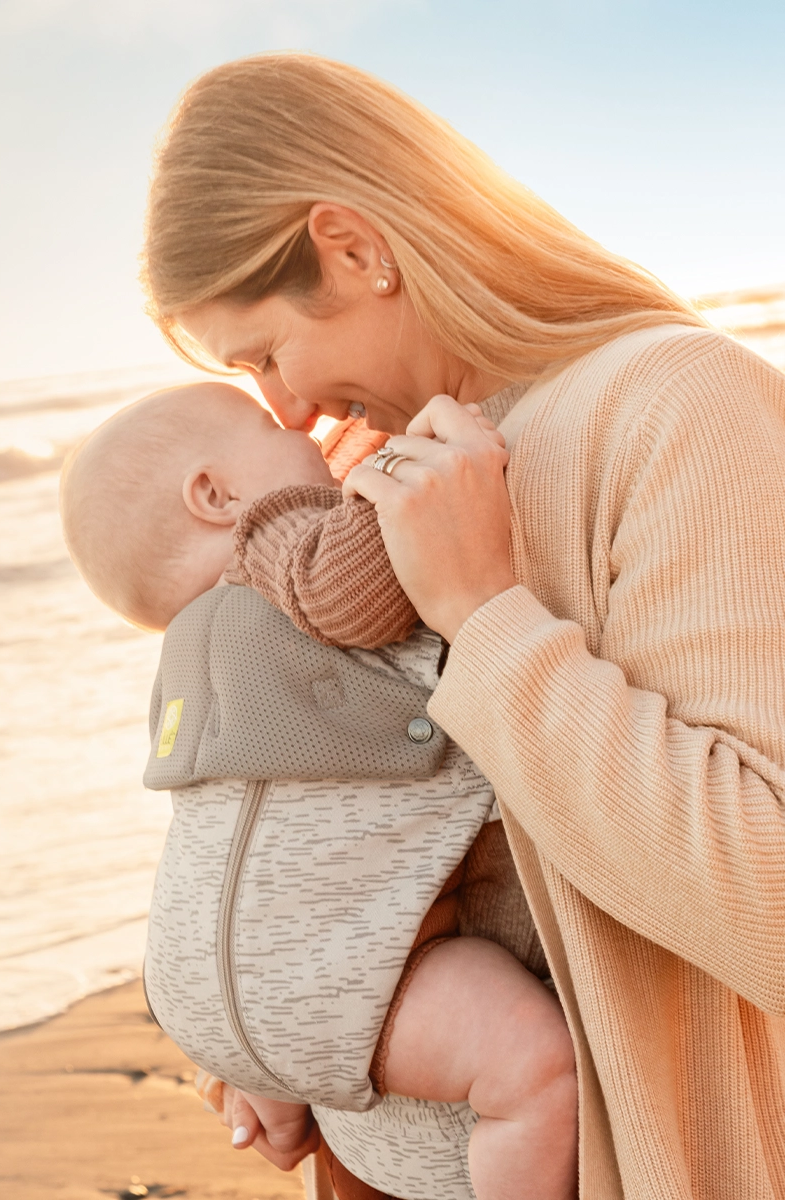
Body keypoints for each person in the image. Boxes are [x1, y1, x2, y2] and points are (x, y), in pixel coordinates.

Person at [139, 52, 785, 1197]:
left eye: (266, 354)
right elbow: (300, 804)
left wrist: (481, 616)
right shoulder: (364, 471)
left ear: (351, 247)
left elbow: (764, 895)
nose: (283, 410)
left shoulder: (676, 405)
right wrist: (269, 1021)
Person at [61, 381, 575, 1197]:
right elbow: (349, 585)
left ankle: (277, 1080)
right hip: (333, 984)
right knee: (539, 1071)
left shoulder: (191, 664)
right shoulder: (280, 549)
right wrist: (433, 458)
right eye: (270, 426)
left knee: (291, 1019)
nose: (312, 429)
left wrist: (252, 1049)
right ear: (216, 495)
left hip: (194, 989)